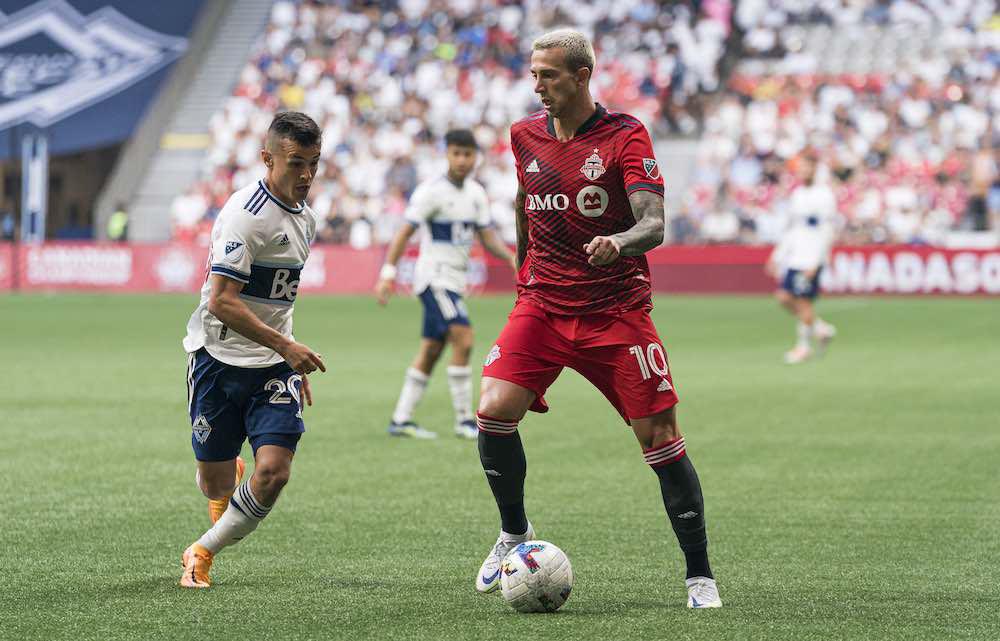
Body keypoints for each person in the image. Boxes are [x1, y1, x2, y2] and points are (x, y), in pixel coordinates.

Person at [472, 29, 721, 609]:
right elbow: (523, 206)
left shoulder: (624, 135)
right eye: (534, 75)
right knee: (492, 410)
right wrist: (522, 276)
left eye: (549, 75)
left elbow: (654, 223)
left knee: (660, 438)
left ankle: (699, 576)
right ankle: (514, 532)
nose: (538, 86)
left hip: (615, 311)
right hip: (542, 304)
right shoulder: (524, 135)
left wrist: (620, 242)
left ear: (582, 76)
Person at [179, 111, 326, 588]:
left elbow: (281, 301)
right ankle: (225, 474)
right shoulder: (246, 216)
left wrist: (289, 359)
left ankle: (202, 551)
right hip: (217, 362)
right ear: (268, 158)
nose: (306, 175)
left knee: (274, 472)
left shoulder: (306, 219)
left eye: (314, 163)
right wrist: (287, 345)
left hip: (271, 368)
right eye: (296, 163)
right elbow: (221, 301)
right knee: (216, 483)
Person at [375, 129, 516, 439]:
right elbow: (404, 233)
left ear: (476, 157)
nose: (462, 160)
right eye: (456, 153)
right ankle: (465, 421)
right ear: (447, 154)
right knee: (464, 339)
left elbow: (486, 236)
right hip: (434, 279)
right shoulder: (430, 192)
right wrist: (388, 273)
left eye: (468, 154)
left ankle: (401, 419)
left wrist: (510, 258)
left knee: (431, 349)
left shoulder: (476, 194)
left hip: (454, 281)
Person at [766, 158, 838, 364]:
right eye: (800, 168)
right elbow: (792, 229)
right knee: (784, 297)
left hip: (811, 258)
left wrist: (817, 261)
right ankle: (820, 328)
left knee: (804, 302)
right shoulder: (797, 195)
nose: (803, 171)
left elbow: (827, 230)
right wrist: (777, 256)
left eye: (807, 168)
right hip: (796, 257)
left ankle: (803, 347)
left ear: (815, 169)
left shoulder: (824, 195)